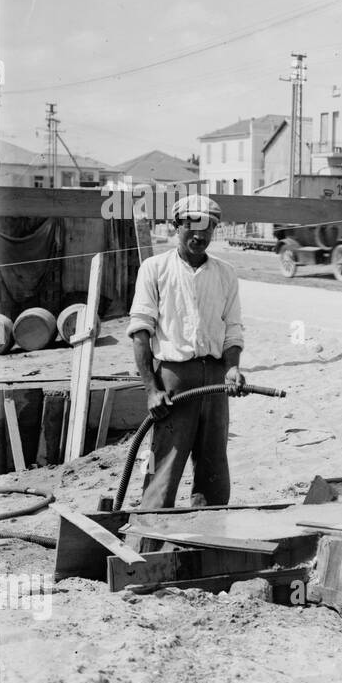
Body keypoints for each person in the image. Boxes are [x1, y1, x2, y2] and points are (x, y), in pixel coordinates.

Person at [127, 194, 246, 509]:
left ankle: (209, 528)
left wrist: (233, 368)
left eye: (207, 229)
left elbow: (233, 328)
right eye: (190, 227)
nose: (199, 236)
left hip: (217, 377)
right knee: (165, 459)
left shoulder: (225, 273)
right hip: (174, 379)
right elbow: (141, 331)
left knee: (214, 463)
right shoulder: (155, 268)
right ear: (175, 226)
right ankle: (151, 530)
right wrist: (151, 389)